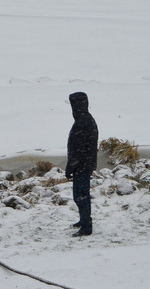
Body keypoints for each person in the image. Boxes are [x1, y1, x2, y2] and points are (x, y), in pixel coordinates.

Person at [65, 91, 99, 237]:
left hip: (82, 165)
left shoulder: (83, 122)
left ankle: (86, 225)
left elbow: (79, 149)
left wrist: (71, 166)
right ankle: (84, 220)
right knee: (80, 195)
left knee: (81, 195)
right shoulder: (85, 119)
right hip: (84, 164)